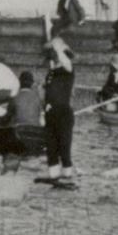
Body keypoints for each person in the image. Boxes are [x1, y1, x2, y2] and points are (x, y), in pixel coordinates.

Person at [43, 36, 78, 179]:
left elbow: (66, 62)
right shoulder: (52, 71)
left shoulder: (68, 69)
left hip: (63, 113)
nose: (53, 55)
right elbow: (47, 92)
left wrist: (59, 47)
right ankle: (53, 176)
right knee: (51, 150)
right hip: (50, 114)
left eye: (55, 52)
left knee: (64, 148)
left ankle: (67, 175)